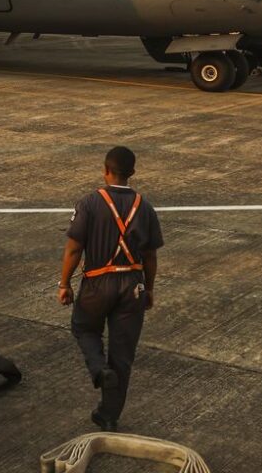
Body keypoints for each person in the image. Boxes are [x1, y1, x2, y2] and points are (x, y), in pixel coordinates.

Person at [57, 146, 163, 432]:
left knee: (84, 328)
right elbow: (151, 256)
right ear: (132, 173)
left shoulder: (90, 203)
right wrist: (149, 289)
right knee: (123, 353)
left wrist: (65, 283)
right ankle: (108, 415)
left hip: (97, 284)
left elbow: (74, 248)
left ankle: (98, 368)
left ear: (105, 170)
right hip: (133, 286)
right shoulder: (146, 206)